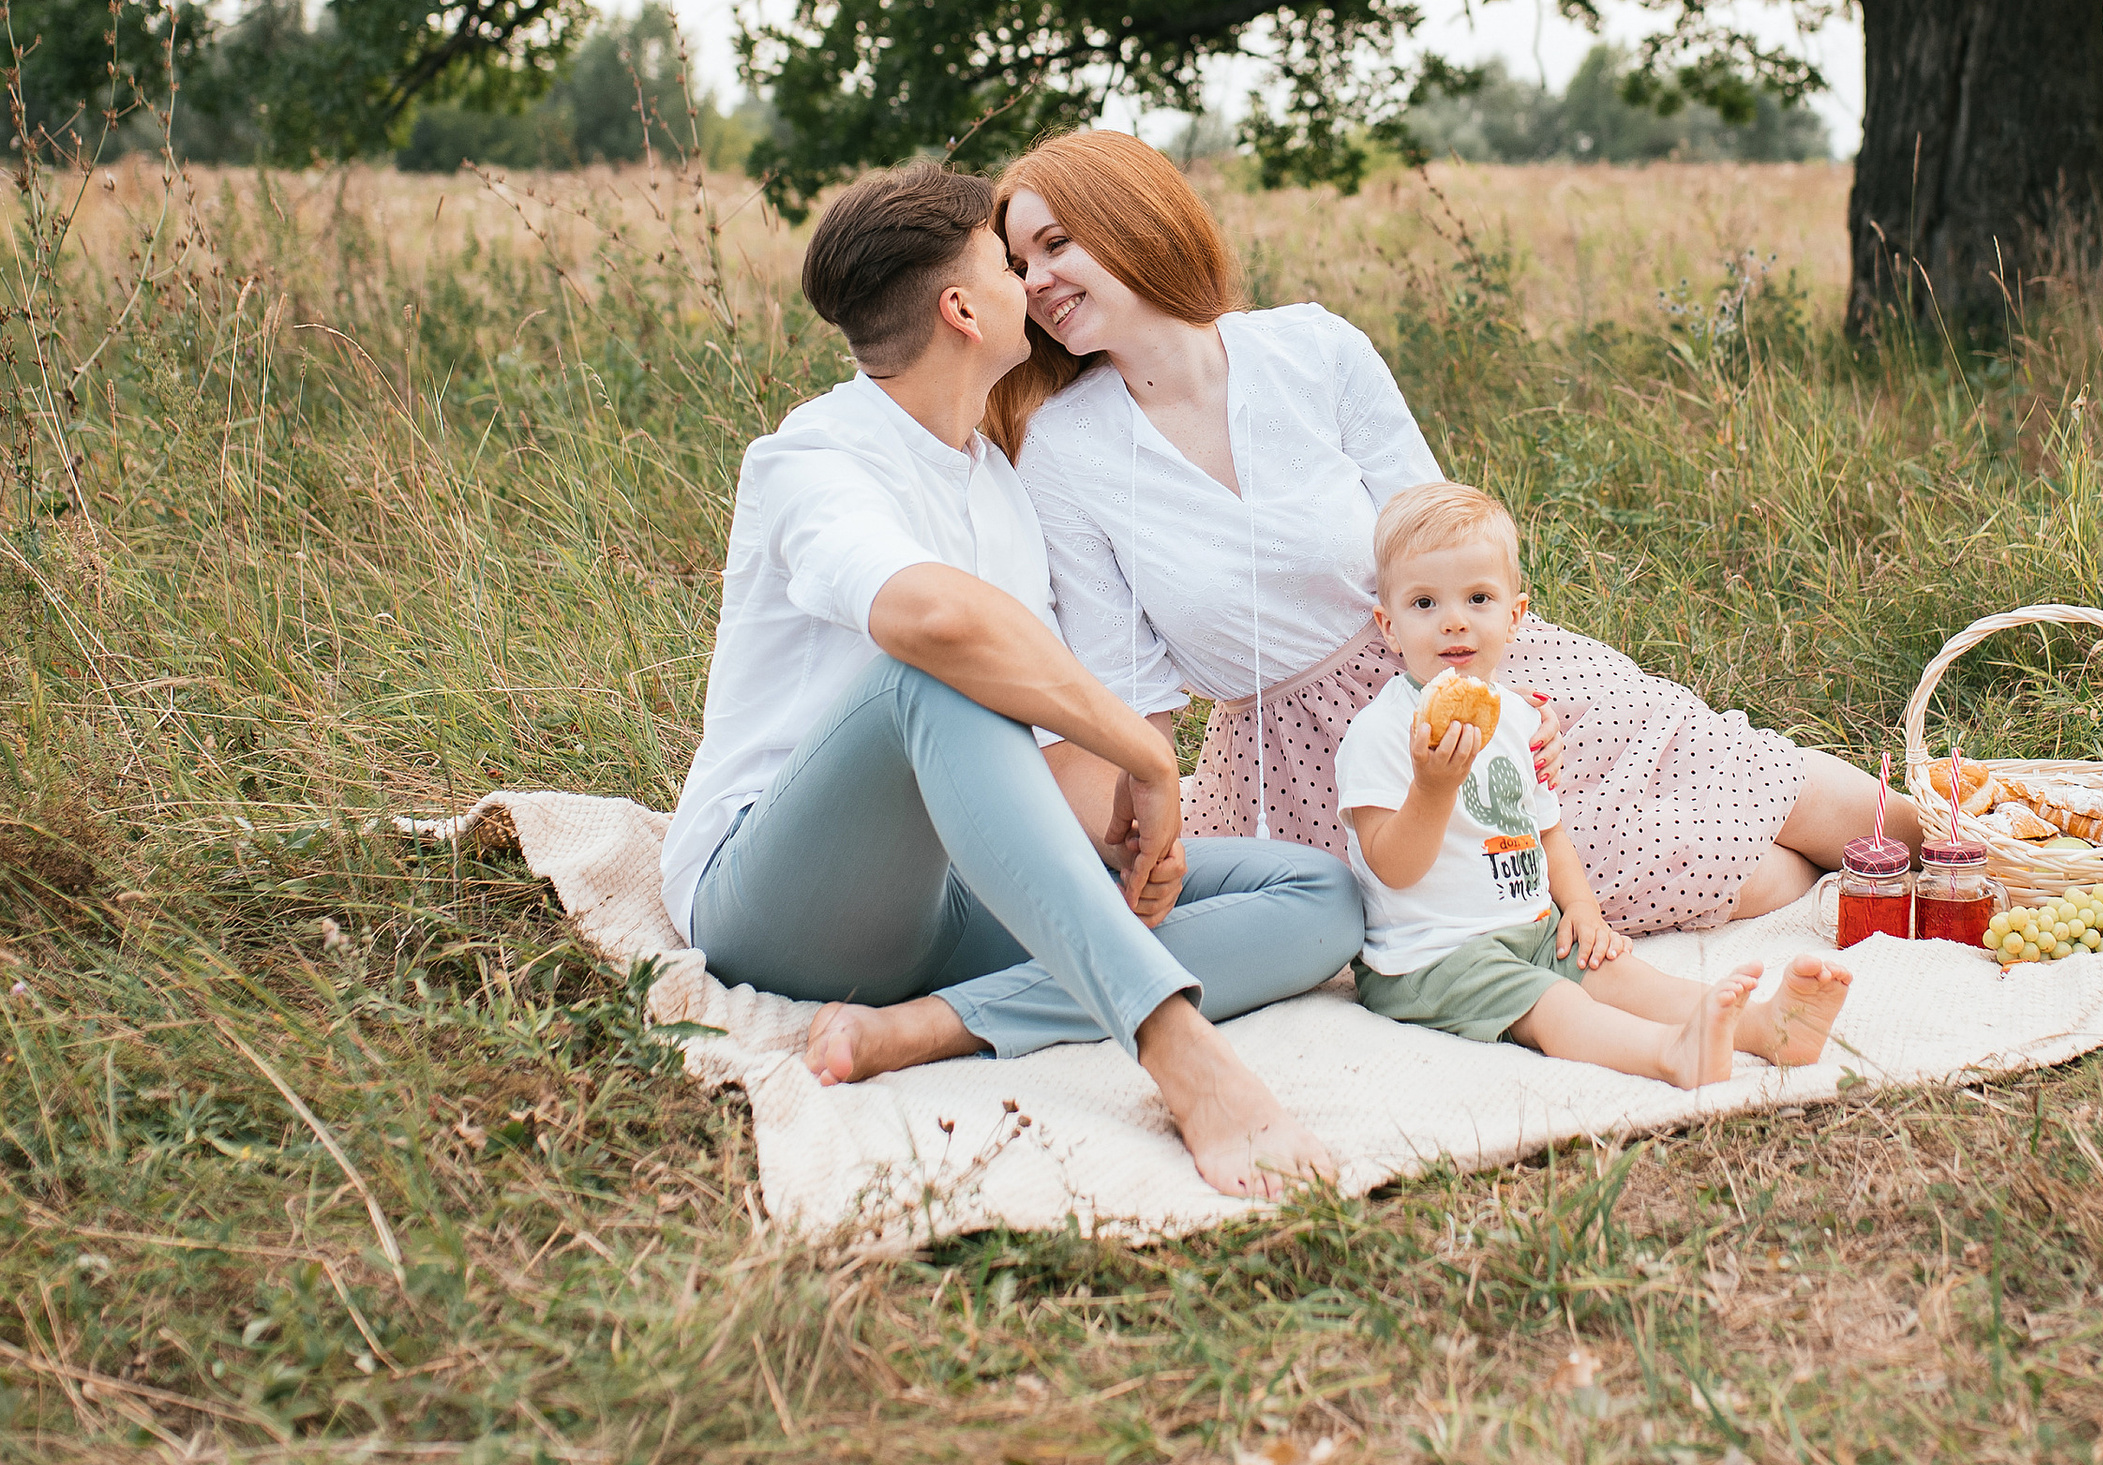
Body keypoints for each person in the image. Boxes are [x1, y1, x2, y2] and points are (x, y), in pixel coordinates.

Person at [991, 130, 1918, 926]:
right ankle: (1823, 883)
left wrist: (1492, 687)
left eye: (1055, 244)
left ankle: (2002, 848)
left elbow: (1442, 530)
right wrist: (1137, 834)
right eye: (1019, 263)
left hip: (1469, 660)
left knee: (1806, 797)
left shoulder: (1310, 347)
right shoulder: (1064, 453)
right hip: (1311, 760)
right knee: (1747, 875)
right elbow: (1122, 693)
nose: (1036, 280)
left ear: (1135, 221)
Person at [660, 162, 1360, 1202]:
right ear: (959, 306)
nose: (1032, 284)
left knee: (1315, 895)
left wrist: (1123, 841)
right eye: (1008, 262)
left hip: (947, 906)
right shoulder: (814, 459)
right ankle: (1177, 1054)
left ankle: (932, 1026)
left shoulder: (998, 483)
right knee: (933, 678)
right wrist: (1145, 750)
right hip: (777, 898)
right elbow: (935, 624)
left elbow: (1030, 752)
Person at [1337, 481, 1857, 1081]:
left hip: (1530, 930)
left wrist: (1582, 908)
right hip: (1432, 959)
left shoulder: (1517, 716)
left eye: (1477, 598)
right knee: (1558, 1007)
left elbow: (1547, 831)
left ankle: (1768, 1029)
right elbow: (1390, 867)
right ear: (1388, 625)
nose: (1454, 622)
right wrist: (1432, 788)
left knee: (1625, 975)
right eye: (1424, 604)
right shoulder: (1382, 732)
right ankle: (1670, 1056)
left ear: (1515, 618)